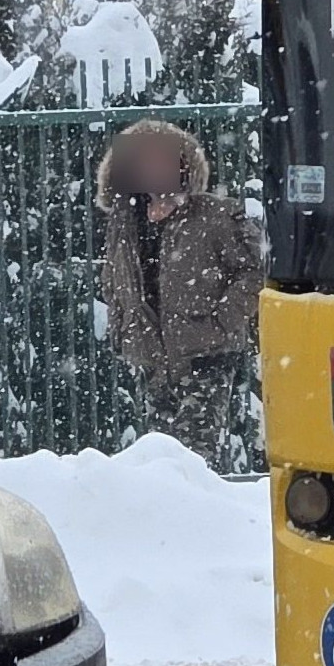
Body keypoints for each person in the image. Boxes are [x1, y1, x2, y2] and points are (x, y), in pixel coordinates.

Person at [96, 118, 264, 463]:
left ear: (185, 165)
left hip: (205, 357)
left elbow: (254, 271)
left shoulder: (215, 215)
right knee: (162, 461)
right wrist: (122, 327)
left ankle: (199, 515)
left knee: (197, 458)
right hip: (151, 359)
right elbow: (114, 279)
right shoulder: (124, 221)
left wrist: (220, 321)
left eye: (164, 159)